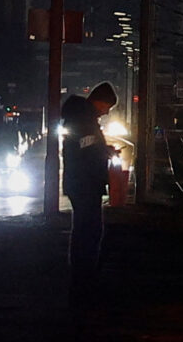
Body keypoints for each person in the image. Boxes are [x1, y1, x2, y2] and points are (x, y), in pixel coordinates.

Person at [61, 81, 117, 307]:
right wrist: (103, 152)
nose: (107, 112)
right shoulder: (84, 120)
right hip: (85, 183)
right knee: (89, 230)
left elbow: (86, 147)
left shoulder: (82, 117)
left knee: (86, 229)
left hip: (82, 182)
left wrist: (104, 151)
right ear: (99, 100)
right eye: (107, 106)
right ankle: (83, 276)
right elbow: (85, 148)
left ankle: (83, 274)